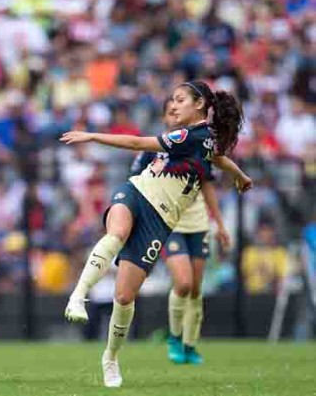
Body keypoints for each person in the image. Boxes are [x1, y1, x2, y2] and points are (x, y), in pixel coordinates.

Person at [61, 81, 252, 388]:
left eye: (180, 100)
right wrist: (240, 176)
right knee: (118, 231)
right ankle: (78, 297)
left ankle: (110, 358)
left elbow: (145, 145)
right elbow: (215, 158)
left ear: (200, 104)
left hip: (160, 220)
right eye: (171, 101)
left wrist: (92, 135)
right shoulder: (196, 137)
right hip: (137, 192)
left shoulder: (196, 137)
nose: (173, 105)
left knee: (124, 297)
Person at [130, 98, 231, 365]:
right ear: (165, 118)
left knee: (196, 289)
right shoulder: (154, 149)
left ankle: (189, 345)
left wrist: (219, 224)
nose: (175, 114)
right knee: (183, 283)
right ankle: (175, 337)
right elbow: (136, 185)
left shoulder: (199, 144)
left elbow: (207, 185)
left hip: (198, 223)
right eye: (170, 111)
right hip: (168, 223)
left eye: (178, 110)